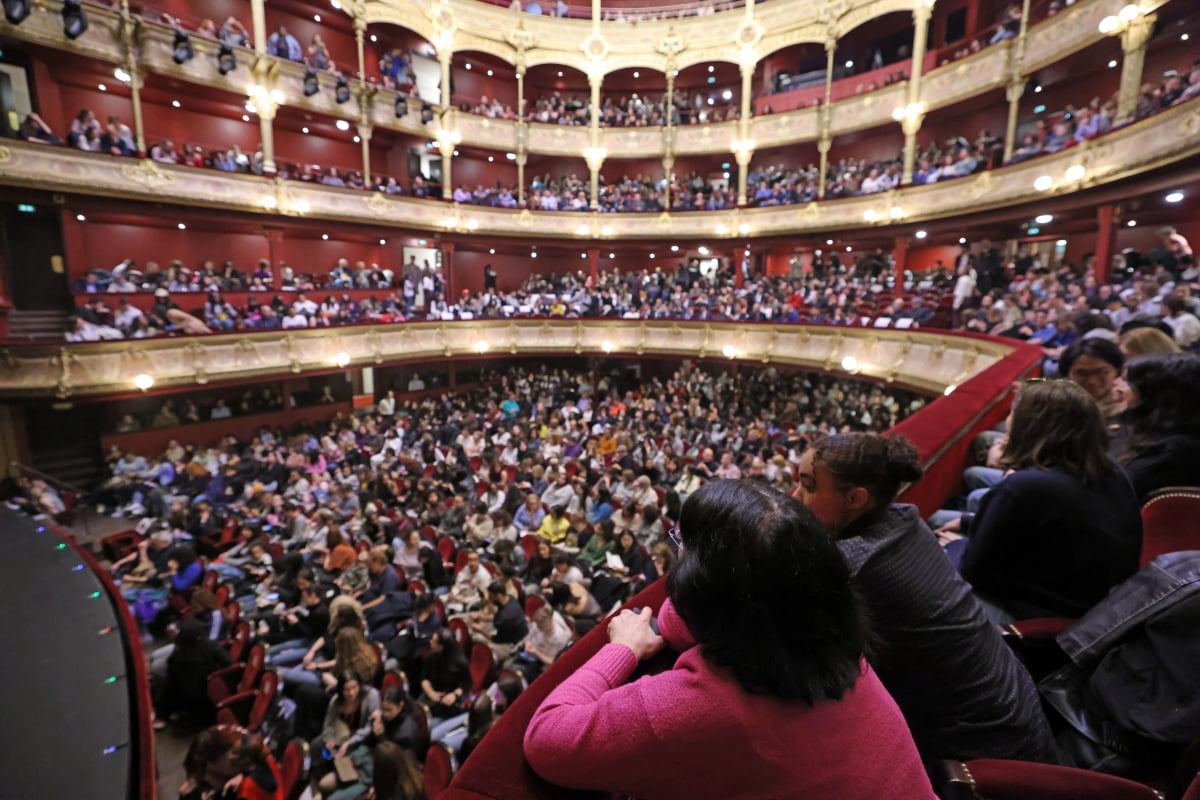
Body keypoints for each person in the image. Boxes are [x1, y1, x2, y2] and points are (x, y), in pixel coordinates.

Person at [523, 480, 936, 799]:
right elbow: (676, 620)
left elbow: (547, 739)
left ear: (704, 588)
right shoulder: (825, 635)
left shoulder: (711, 701)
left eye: (682, 547)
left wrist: (620, 650)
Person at [795, 433, 1057, 763]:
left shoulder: (850, 565)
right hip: (1015, 710)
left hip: (980, 752)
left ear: (856, 499)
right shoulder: (905, 517)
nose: (795, 495)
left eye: (809, 485)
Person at [937, 380, 1142, 619]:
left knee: (932, 549)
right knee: (945, 519)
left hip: (1047, 615)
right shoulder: (1111, 469)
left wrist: (953, 546)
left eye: (1014, 414)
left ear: (1028, 427)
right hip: (1095, 602)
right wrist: (968, 524)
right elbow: (1058, 531)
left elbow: (975, 572)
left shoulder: (1025, 486)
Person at [1110, 353, 1200, 501]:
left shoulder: (1174, 450)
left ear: (1154, 394)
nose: (1116, 387)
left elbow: (1114, 491)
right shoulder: (1147, 433)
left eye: (1127, 382)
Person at [1059, 337, 1127, 417]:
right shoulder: (1058, 406)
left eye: (1100, 372)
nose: (1092, 381)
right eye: (1081, 374)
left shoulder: (1129, 408)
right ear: (1067, 375)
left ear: (1118, 372)